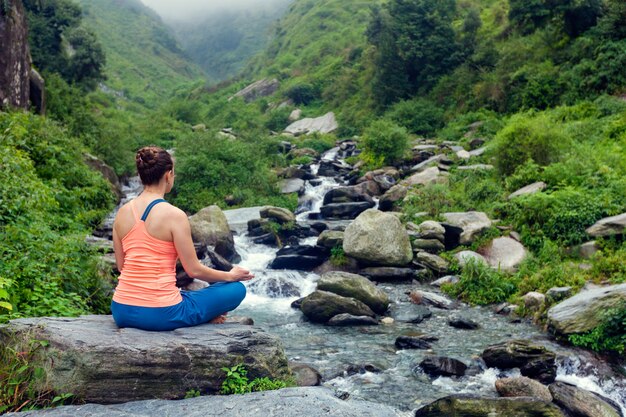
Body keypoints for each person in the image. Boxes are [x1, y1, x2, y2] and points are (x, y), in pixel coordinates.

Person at [110, 146, 253, 331]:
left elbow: (122, 267)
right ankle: (204, 316)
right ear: (168, 175)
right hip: (160, 313)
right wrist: (230, 275)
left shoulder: (121, 213)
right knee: (236, 289)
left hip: (121, 310)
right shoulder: (174, 215)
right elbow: (193, 270)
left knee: (185, 296)